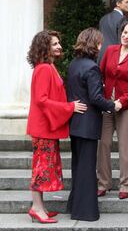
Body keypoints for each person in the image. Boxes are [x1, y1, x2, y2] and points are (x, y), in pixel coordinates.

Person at [26, 30, 87, 223]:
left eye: (59, 43)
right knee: (41, 168)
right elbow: (42, 100)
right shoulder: (44, 68)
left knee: (43, 166)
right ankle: (36, 207)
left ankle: (39, 207)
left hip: (45, 128)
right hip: (43, 128)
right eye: (54, 44)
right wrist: (70, 107)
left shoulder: (47, 66)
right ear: (45, 47)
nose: (59, 46)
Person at [66, 28, 122, 221]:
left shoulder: (74, 64)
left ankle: (75, 206)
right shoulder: (92, 67)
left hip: (75, 122)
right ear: (93, 44)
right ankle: (85, 211)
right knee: (87, 168)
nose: (101, 46)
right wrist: (113, 105)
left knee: (78, 166)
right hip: (88, 123)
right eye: (99, 43)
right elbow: (96, 98)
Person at [97, 20, 128, 200]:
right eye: (124, 32)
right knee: (103, 144)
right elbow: (100, 73)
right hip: (107, 105)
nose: (126, 36)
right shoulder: (110, 50)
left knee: (125, 147)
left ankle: (125, 184)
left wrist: (122, 101)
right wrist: (103, 98)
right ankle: (103, 183)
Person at [97, 0, 128, 64]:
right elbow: (122, 41)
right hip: (113, 57)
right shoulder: (122, 19)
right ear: (118, 4)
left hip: (101, 56)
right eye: (126, 2)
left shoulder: (103, 18)